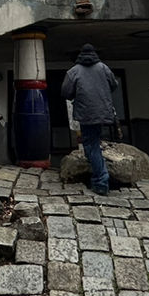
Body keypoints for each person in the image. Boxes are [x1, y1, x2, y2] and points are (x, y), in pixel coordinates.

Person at [61, 43, 118, 196]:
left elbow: (66, 92)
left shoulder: (74, 71)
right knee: (94, 141)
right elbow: (114, 84)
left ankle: (101, 180)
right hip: (103, 111)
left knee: (90, 143)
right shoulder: (103, 68)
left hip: (85, 112)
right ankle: (97, 174)